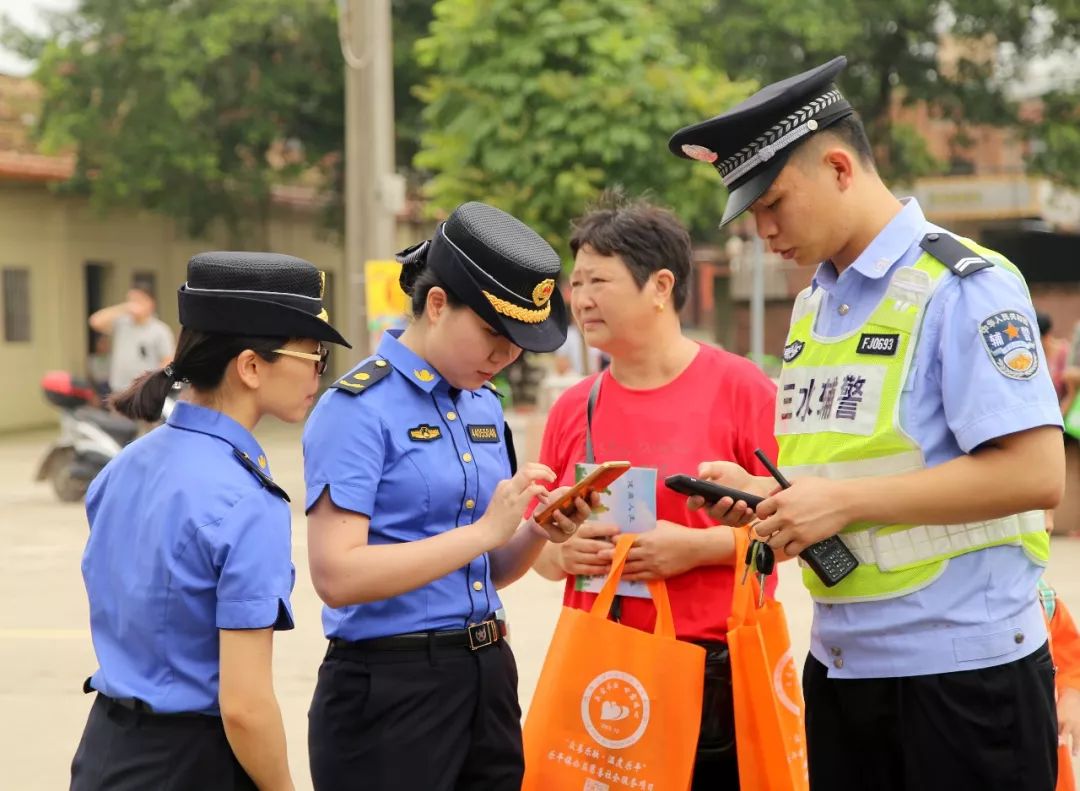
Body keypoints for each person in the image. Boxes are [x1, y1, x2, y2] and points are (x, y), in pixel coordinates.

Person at [670, 55, 1065, 790]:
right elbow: (857, 465)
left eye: (773, 203)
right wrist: (770, 495)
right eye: (752, 213)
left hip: (964, 677)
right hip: (845, 668)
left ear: (842, 168)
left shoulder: (966, 287)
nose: (763, 231)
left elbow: (1036, 473)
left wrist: (840, 503)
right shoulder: (814, 306)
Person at [302, 201, 597, 791]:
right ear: (437, 304)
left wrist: (537, 528)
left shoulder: (483, 405)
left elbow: (486, 568)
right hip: (390, 688)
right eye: (493, 333)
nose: (505, 356)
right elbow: (337, 574)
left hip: (486, 672)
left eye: (519, 343)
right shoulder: (358, 409)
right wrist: (486, 531)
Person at [71, 252, 350, 791]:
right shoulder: (247, 502)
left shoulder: (125, 465)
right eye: (312, 353)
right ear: (250, 366)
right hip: (192, 763)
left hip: (106, 750)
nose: (319, 370)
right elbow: (245, 707)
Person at [530, 194, 779, 790]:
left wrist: (694, 550)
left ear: (660, 285)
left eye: (599, 281)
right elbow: (538, 545)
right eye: (577, 281)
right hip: (605, 673)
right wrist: (563, 555)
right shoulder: (574, 407)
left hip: (713, 675)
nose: (581, 298)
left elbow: (792, 532)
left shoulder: (740, 388)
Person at [89, 282, 175, 395]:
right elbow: (95, 322)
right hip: (119, 390)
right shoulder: (121, 323)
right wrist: (123, 308)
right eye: (131, 300)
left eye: (138, 300)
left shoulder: (160, 330)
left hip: (145, 391)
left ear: (150, 303)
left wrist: (153, 383)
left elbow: (167, 360)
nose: (133, 304)